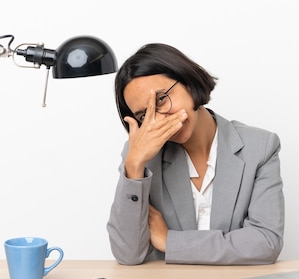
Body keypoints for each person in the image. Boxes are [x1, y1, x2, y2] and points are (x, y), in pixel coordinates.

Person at [107, 43, 284, 265]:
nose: (159, 120)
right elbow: (128, 255)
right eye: (144, 115)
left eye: (161, 99)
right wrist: (133, 167)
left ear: (189, 83)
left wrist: (169, 241)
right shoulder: (141, 156)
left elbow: (265, 243)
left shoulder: (259, 147)